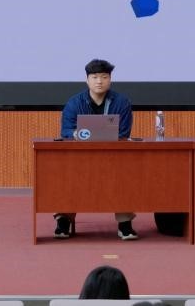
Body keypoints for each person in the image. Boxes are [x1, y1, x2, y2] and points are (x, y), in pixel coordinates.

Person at [56, 58, 137, 241]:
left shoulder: (122, 103)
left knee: (125, 173)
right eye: (94, 77)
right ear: (87, 80)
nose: (99, 81)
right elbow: (66, 131)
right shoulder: (74, 103)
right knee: (65, 173)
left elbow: (123, 133)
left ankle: (125, 223)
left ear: (110, 79)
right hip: (80, 157)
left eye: (104, 77)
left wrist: (94, 135)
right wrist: (76, 134)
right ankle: (63, 219)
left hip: (113, 157)